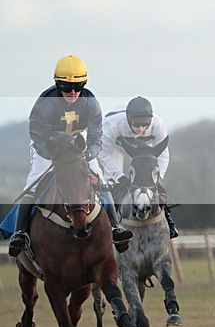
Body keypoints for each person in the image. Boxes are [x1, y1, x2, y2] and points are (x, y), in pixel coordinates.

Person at [8, 55, 132, 257]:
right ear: (58, 84)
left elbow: (95, 137)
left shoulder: (91, 102)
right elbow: (38, 136)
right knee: (34, 180)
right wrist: (52, 155)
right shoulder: (46, 103)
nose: (73, 92)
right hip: (48, 143)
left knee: (98, 177)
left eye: (78, 86)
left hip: (78, 141)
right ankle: (20, 232)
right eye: (67, 87)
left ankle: (116, 227)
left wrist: (90, 153)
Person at [99, 96, 179, 239]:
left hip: (143, 151)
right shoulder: (111, 125)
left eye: (145, 125)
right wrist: (120, 177)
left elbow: (163, 156)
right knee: (111, 183)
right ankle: (110, 225)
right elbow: (104, 155)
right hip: (115, 149)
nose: (141, 129)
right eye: (136, 125)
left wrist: (157, 178)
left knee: (152, 184)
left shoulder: (157, 124)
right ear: (129, 120)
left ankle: (168, 220)